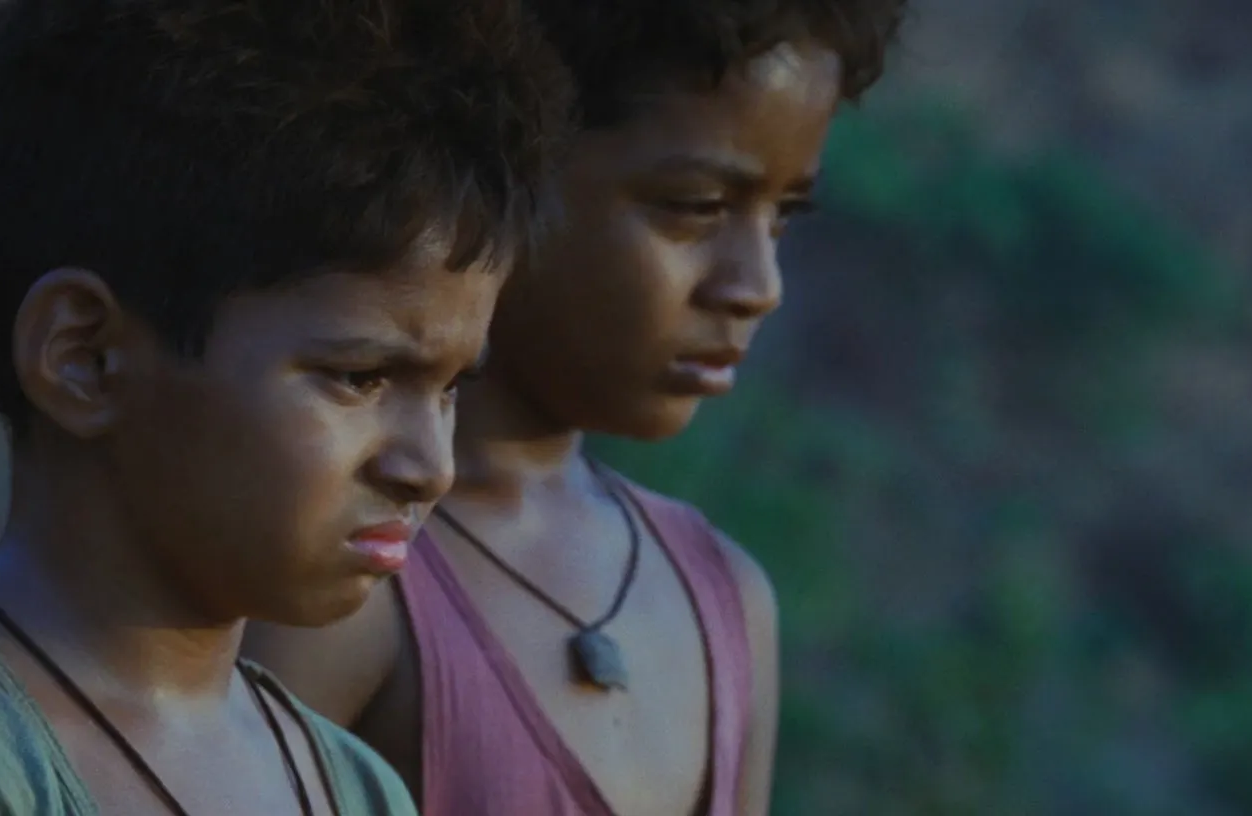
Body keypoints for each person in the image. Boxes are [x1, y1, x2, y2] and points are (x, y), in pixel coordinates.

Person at [0, 0, 573, 813]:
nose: (430, 466)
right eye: (359, 377)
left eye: (450, 388)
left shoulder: (355, 787)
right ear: (84, 359)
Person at [239, 2, 906, 814]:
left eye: (781, 217)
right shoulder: (346, 582)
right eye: (695, 206)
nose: (756, 285)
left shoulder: (726, 600)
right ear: (508, 170)